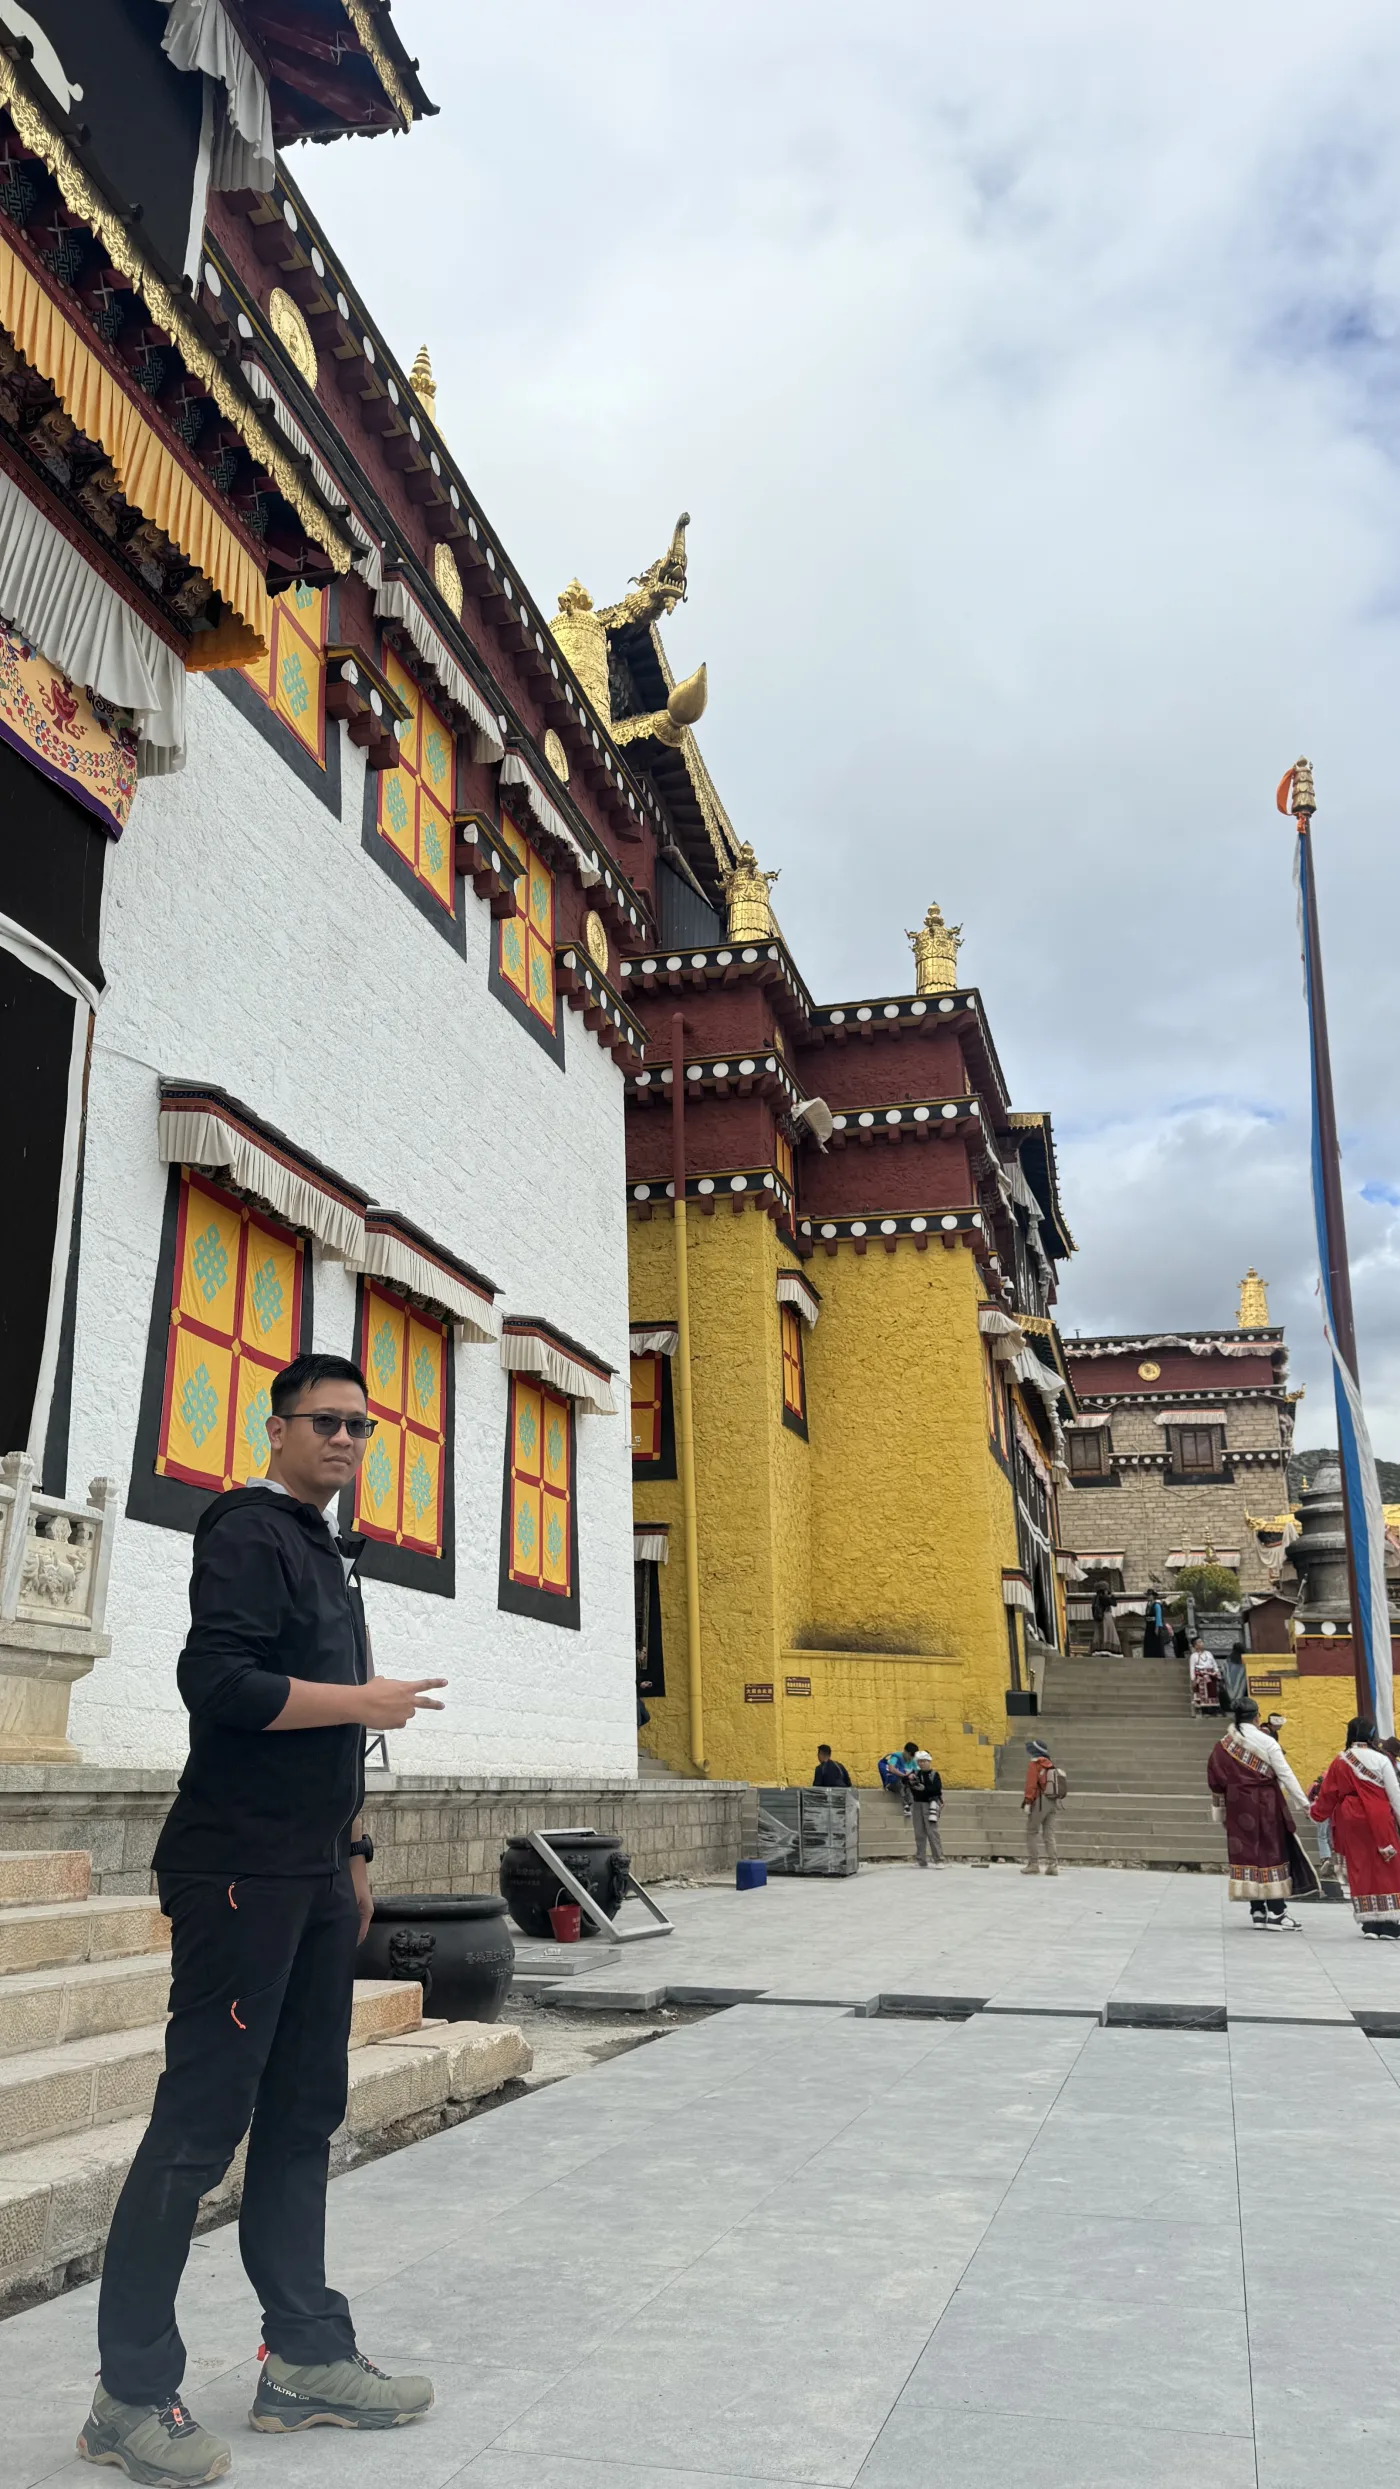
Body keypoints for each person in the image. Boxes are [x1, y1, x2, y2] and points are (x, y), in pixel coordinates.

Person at [82, 1355, 450, 2485]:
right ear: (277, 1428)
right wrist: (365, 1702)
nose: (344, 1438)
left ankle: (304, 2358)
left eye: (360, 1424)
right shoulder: (246, 1531)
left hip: (308, 1874)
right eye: (324, 1421)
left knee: (301, 2114)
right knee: (200, 2125)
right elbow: (219, 1685)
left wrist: (352, 1854)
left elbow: (324, 1751)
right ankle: (128, 2393)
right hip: (235, 1873)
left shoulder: (324, 1554)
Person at [1206, 1697, 1318, 1928]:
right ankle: (1277, 1912)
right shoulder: (1267, 1742)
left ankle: (1257, 1911)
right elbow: (1286, 1775)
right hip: (1266, 1804)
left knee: (1249, 1854)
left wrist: (1221, 1809)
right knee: (1271, 1852)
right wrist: (1305, 1804)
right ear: (1257, 1716)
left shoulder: (1223, 1745)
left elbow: (1215, 1779)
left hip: (1238, 1807)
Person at [1310, 1718, 1400, 1938]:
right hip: (1378, 1817)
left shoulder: (1340, 1761)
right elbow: (1394, 1795)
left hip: (1350, 1819)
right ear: (1371, 1735)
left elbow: (1328, 1794)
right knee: (1386, 1865)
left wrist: (1315, 1813)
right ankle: (1388, 1923)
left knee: (1359, 1866)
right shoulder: (1381, 1759)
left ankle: (1369, 1924)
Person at [1021, 1739, 1064, 1876]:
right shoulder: (1050, 1764)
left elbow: (1031, 1784)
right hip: (1053, 1800)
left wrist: (1028, 1801)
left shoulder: (1035, 1764)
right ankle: (1053, 1865)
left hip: (1040, 1801)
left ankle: (1033, 1864)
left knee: (1031, 1831)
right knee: (1049, 1834)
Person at [905, 1750, 943, 1866]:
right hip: (917, 1804)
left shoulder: (934, 1775)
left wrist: (924, 1789)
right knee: (919, 1834)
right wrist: (910, 1780)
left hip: (929, 1804)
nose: (922, 1764)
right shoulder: (916, 1773)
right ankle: (921, 1860)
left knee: (932, 1833)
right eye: (920, 1761)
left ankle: (939, 1859)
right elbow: (906, 1783)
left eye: (924, 1761)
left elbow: (937, 1789)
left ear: (929, 1761)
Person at [1190, 1642, 1223, 1714]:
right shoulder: (1194, 1656)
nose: (1202, 1644)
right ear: (1195, 1646)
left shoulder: (1208, 1653)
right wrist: (1193, 1679)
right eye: (1199, 1643)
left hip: (1211, 1675)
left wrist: (1217, 1672)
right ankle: (1205, 1709)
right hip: (1201, 1675)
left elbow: (1214, 1663)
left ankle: (1213, 1708)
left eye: (1202, 1642)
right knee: (1203, 1693)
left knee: (1212, 1692)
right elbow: (1192, 1668)